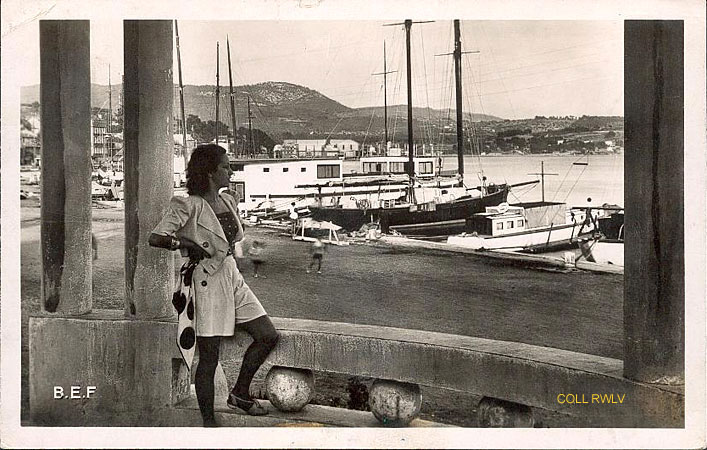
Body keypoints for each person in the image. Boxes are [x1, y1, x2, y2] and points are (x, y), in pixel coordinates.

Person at [149, 144, 279, 427]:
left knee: (267, 335)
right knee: (209, 357)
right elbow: (156, 237)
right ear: (209, 172)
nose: (230, 171)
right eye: (225, 167)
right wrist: (187, 243)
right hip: (206, 280)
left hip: (231, 274)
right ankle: (209, 424)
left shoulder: (229, 200)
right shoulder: (188, 205)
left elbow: (232, 239)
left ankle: (240, 393)